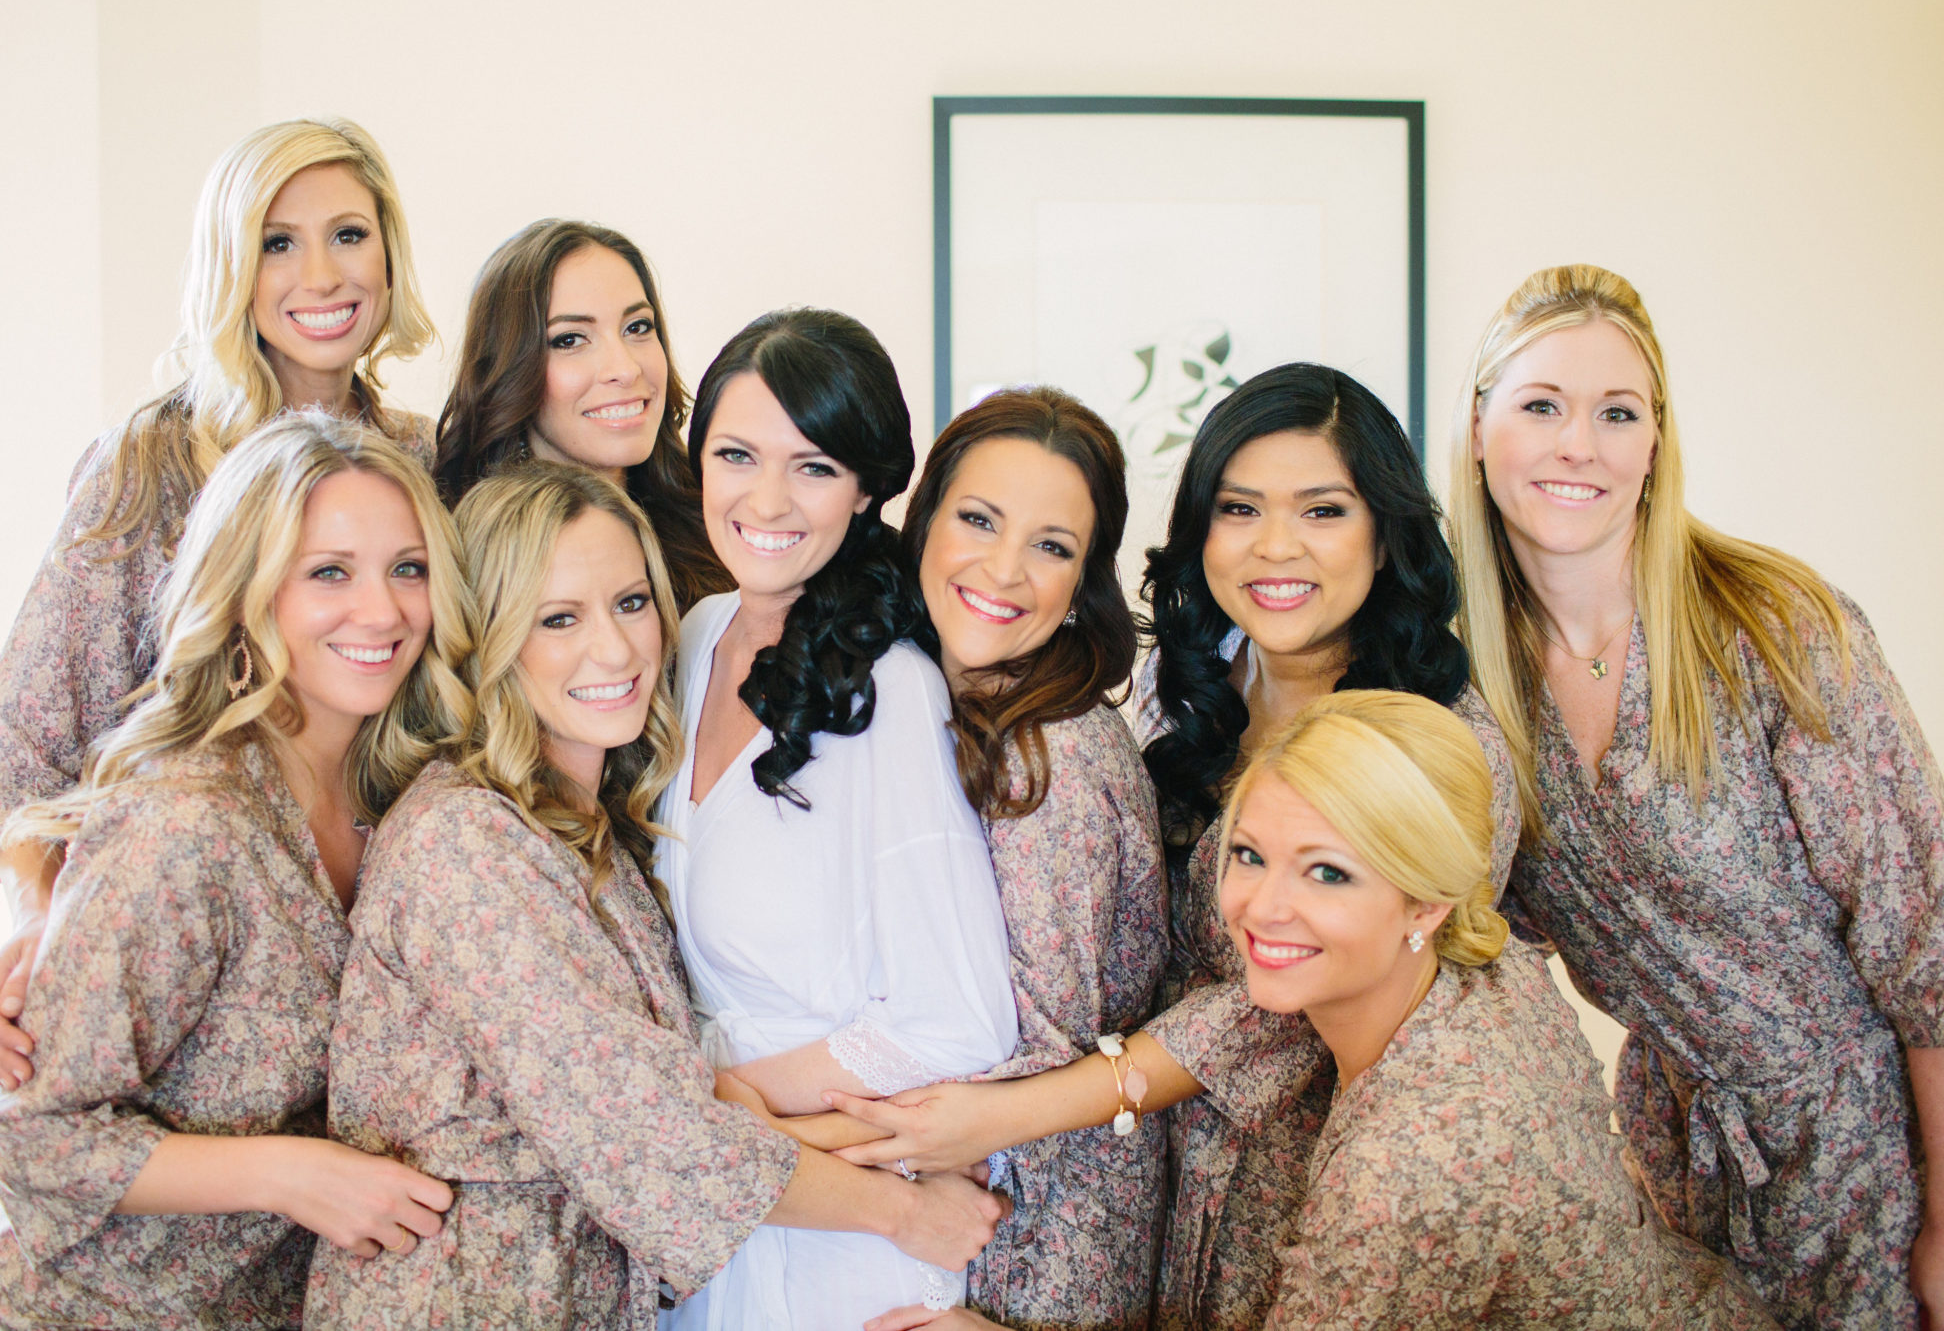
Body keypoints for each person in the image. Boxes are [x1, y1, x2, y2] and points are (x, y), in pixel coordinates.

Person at [820, 363, 1519, 1327]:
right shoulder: (1184, 687)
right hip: (1154, 1157)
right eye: (1240, 509)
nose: (1276, 547)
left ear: (1385, 531)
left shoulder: (1443, 738)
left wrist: (1012, 1114)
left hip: (1324, 1162)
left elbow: (1289, 993)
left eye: (1322, 511)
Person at [306, 462, 1006, 1328]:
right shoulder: (466, 844)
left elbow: (662, 1105)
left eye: (632, 603)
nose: (616, 649)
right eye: (558, 618)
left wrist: (876, 1150)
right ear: (484, 638)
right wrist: (904, 1209)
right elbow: (643, 1137)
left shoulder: (586, 830)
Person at [864, 692, 1775, 1331]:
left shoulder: (1412, 1167)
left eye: (1329, 873)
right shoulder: (1483, 969)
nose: (1263, 908)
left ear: (1428, 903)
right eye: (1251, 855)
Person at [1449, 263, 1944, 1328]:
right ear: (1479, 426)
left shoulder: (1774, 626)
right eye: (1540, 405)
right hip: (1675, 1173)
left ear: (1652, 443)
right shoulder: (1463, 686)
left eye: (1614, 412)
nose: (1576, 443)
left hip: (1873, 1157)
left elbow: (1926, 946)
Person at [0, 116, 439, 1090]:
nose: (322, 274)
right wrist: (46, 923)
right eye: (276, 242)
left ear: (388, 251)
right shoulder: (146, 465)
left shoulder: (431, 460)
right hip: (193, 972)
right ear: (230, 266)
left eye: (348, 234)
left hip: (368, 960)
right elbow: (14, 755)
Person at [0, 413, 474, 1330]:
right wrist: (294, 1174)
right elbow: (30, 1135)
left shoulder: (406, 803)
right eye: (329, 572)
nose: (385, 610)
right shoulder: (186, 824)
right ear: (246, 590)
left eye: (408, 568)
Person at [652, 308, 1017, 1329]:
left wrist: (724, 1101)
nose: (765, 500)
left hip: (850, 1223)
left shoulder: (887, 690)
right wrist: (712, 1130)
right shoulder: (688, 638)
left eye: (811, 467)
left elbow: (955, 1015)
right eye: (735, 455)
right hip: (718, 1209)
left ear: (865, 490)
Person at [897, 387, 1166, 1327]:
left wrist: (776, 1134)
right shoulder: (926, 695)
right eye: (978, 520)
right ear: (923, 522)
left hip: (1036, 1243)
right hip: (960, 1213)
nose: (1004, 569)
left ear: (1082, 579)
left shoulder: (1050, 749)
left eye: (1051, 546)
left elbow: (1024, 1049)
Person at [430, 218, 730, 610]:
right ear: (507, 370)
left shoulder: (721, 515)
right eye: (570, 340)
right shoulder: (460, 563)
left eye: (638, 327)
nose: (625, 369)